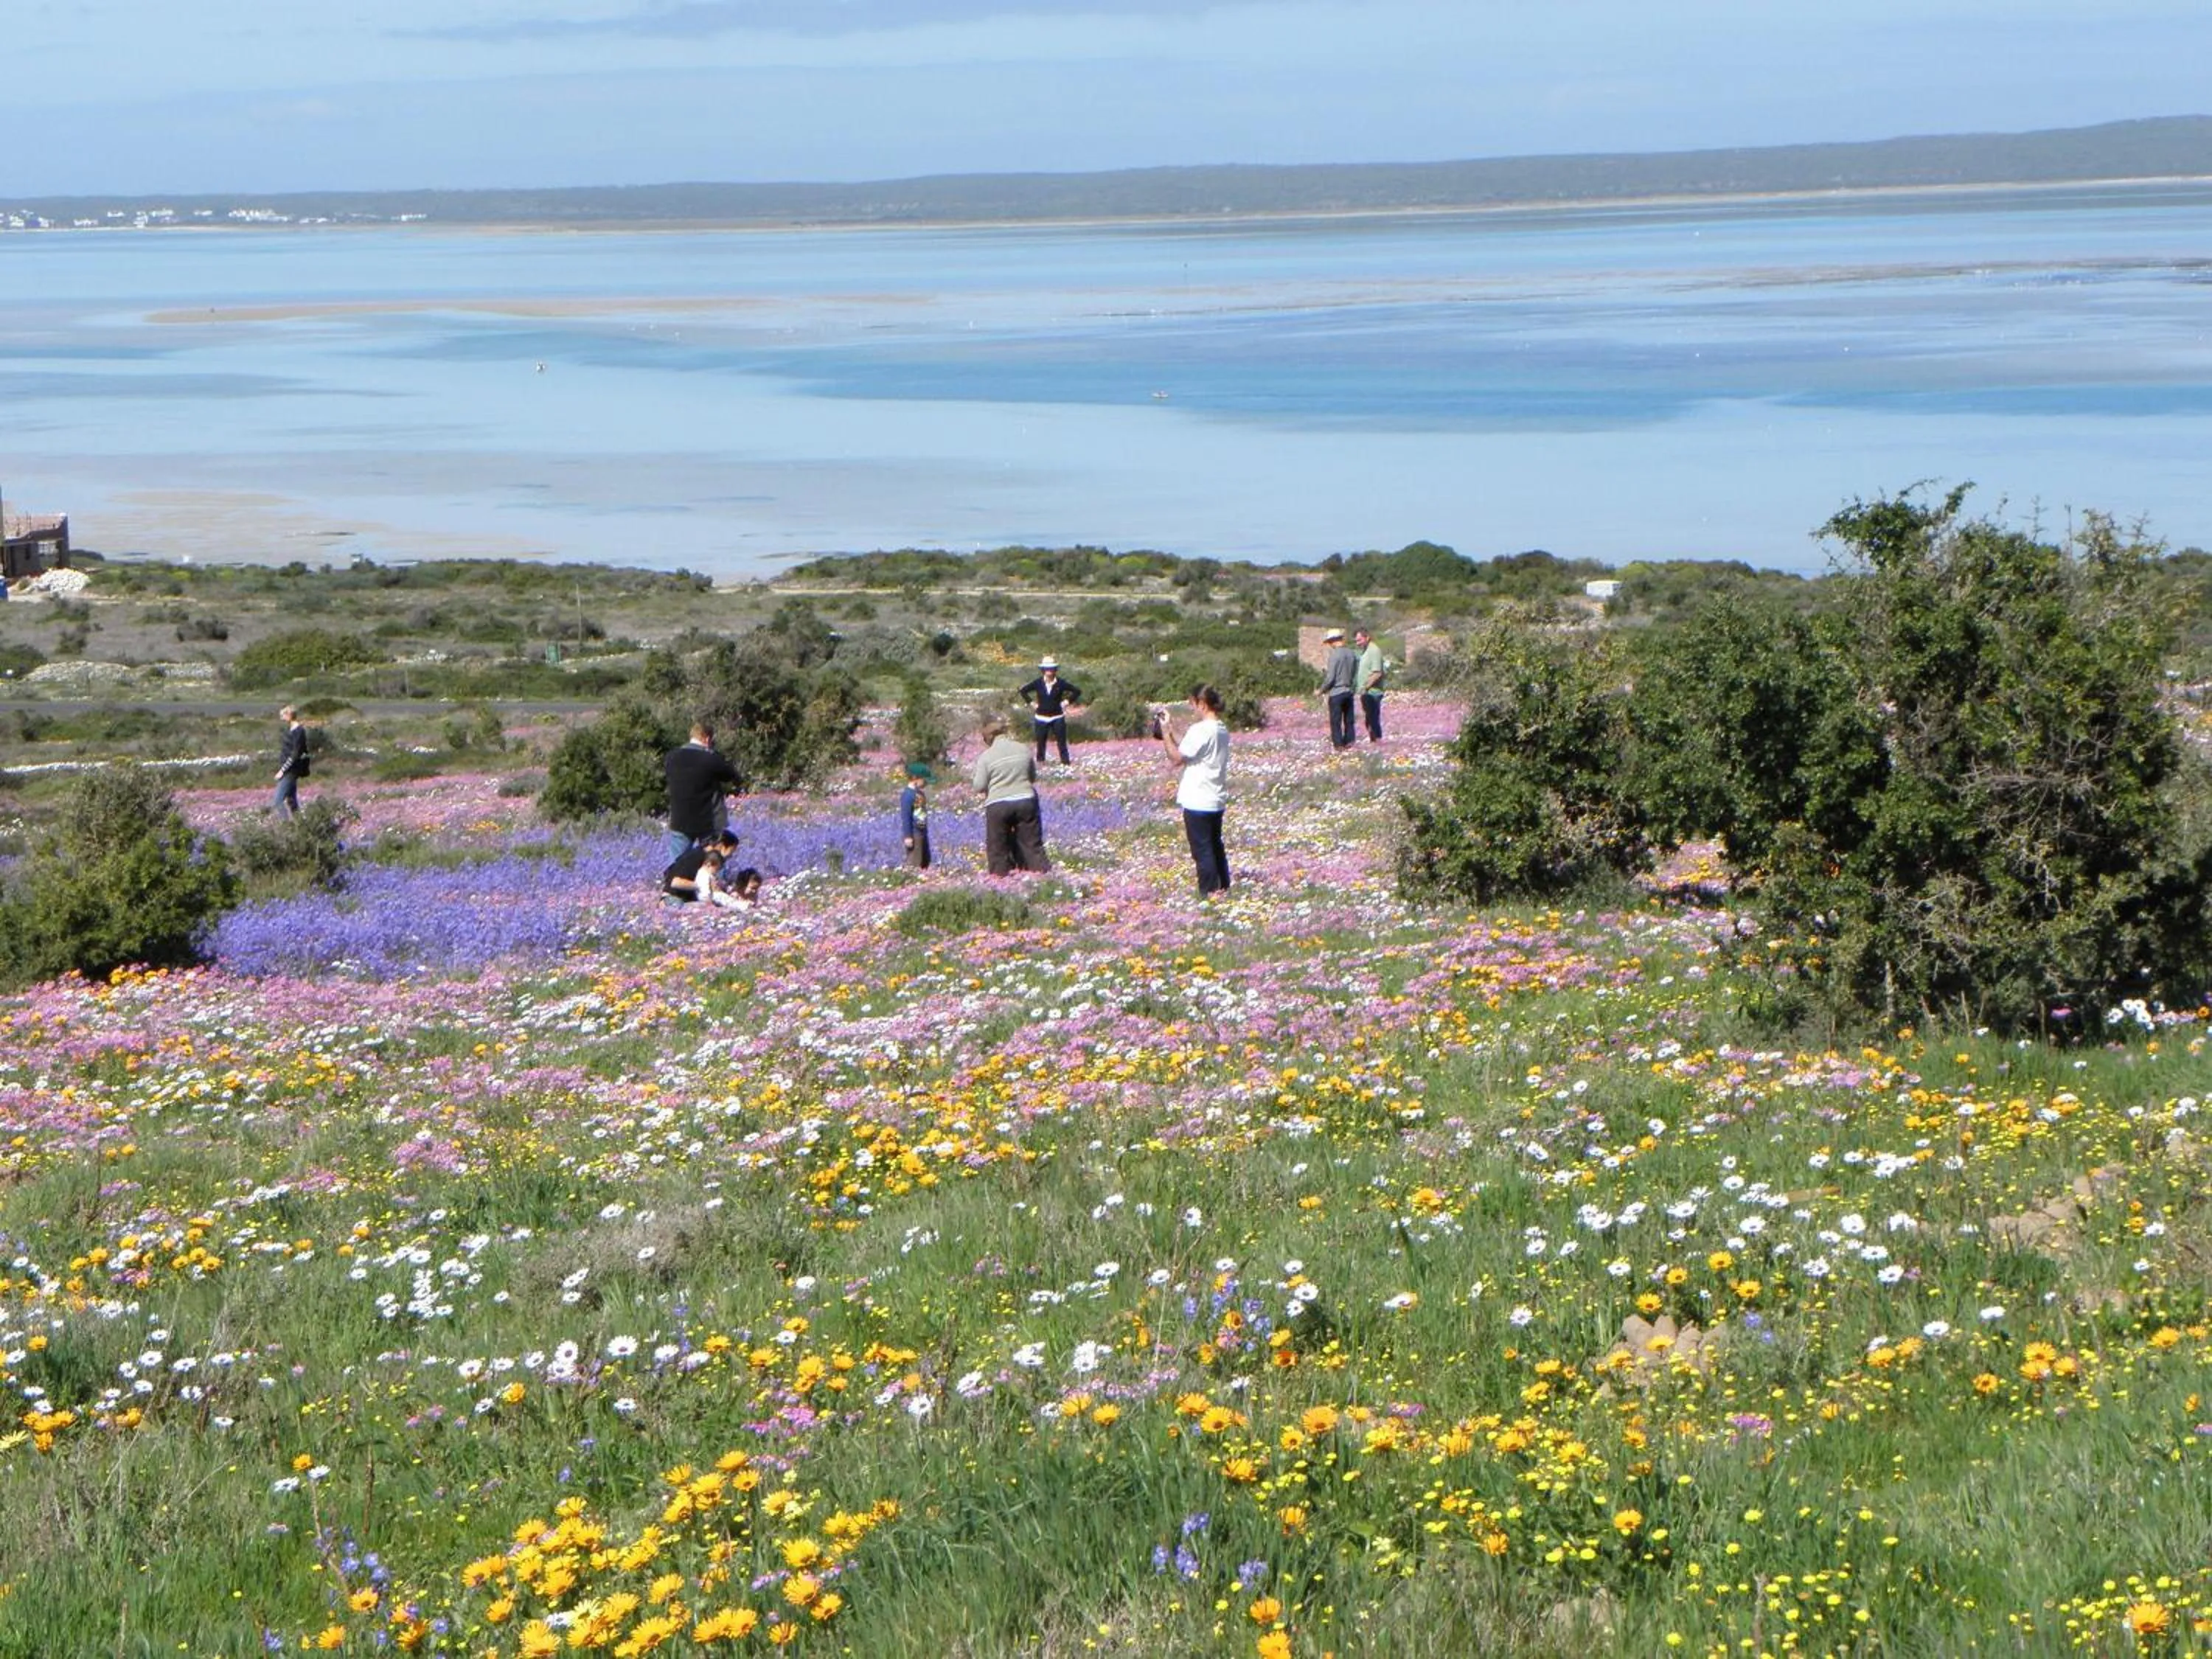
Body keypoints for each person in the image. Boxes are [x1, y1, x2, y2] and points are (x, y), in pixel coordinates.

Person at [1159, 684, 1231, 898]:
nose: (1193, 709)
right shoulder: (1220, 729)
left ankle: (1209, 892)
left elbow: (1177, 758)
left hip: (1198, 799)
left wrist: (1164, 734)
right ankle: (1223, 887)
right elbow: (1190, 747)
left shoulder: (1200, 730)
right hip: (1215, 798)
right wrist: (1172, 729)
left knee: (1202, 850)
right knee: (1215, 846)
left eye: (1193, 704)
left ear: (1202, 703)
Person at [970, 715, 1049, 875]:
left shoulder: (987, 757)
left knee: (998, 847)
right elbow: (1032, 777)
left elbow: (978, 786)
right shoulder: (1023, 749)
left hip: (998, 804)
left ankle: (1001, 881)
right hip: (1026, 800)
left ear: (989, 737)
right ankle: (1041, 876)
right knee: (1031, 844)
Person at [663, 722, 742, 866]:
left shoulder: (671, 757)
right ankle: (716, 886)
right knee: (715, 860)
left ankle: (674, 885)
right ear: (707, 739)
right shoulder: (711, 759)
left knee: (676, 863)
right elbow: (732, 776)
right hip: (708, 821)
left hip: (680, 818)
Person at [1018, 658, 1085, 765]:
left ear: (1055, 670)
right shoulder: (1038, 683)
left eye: (1052, 668)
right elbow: (1023, 691)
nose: (1049, 671)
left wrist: (1066, 702)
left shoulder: (1061, 683)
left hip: (1057, 717)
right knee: (1041, 743)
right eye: (1047, 668)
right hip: (1041, 718)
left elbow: (1077, 691)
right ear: (1043, 670)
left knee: (1061, 742)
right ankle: (1041, 764)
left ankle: (1066, 764)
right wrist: (1032, 703)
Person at [662, 832, 742, 907]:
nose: (731, 856)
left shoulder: (707, 859)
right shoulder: (696, 857)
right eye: (731, 852)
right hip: (672, 899)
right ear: (721, 846)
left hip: (686, 900)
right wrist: (704, 885)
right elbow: (675, 883)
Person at [1318, 628, 1360, 750]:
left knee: (1336, 721)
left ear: (1333, 641)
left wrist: (1321, 690)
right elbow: (1354, 674)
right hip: (1349, 690)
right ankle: (1350, 741)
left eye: (1330, 643)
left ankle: (1339, 744)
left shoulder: (1334, 656)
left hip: (1337, 692)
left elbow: (1330, 678)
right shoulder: (1352, 654)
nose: (1330, 645)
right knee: (1349, 720)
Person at [272, 706, 310, 816]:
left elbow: (296, 753)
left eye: (283, 715)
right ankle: (300, 825)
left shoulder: (299, 731)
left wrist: (282, 771)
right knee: (291, 800)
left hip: (291, 770)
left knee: (278, 801)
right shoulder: (291, 730)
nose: (282, 718)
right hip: (288, 769)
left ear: (289, 715)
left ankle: (286, 826)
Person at [1355, 626, 1388, 743]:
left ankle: (1377, 741)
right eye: (1356, 641)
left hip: (1373, 693)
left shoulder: (1374, 650)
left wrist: (1365, 687)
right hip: (1366, 692)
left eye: (1359, 640)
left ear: (1367, 637)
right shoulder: (1366, 651)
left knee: (1373, 719)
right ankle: (1374, 740)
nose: (1357, 643)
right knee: (1369, 719)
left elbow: (1377, 673)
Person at [899, 762, 933, 869]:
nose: (926, 783)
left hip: (922, 831)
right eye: (924, 780)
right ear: (915, 778)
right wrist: (908, 836)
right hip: (914, 833)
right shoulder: (908, 796)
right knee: (915, 861)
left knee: (925, 860)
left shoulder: (920, 794)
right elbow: (906, 817)